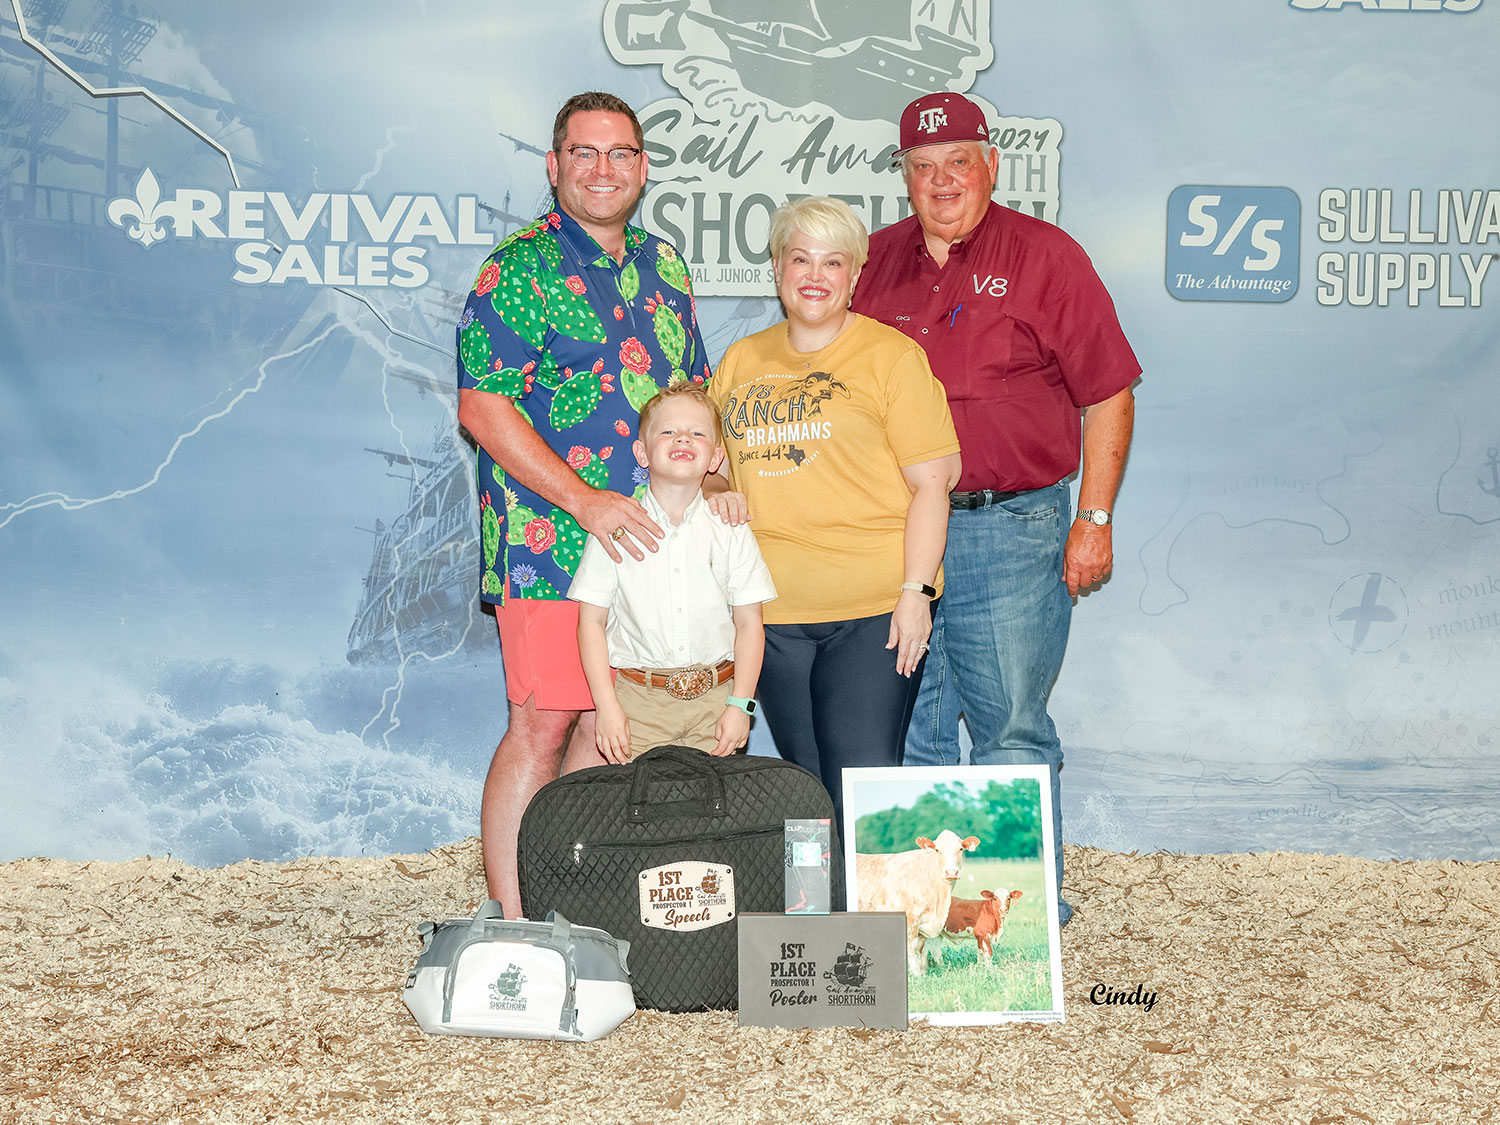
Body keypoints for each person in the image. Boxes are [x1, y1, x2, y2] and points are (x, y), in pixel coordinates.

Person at [850, 92, 1142, 926]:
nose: (942, 181)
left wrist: (1095, 517)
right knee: (912, 725)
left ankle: (1026, 925)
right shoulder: (869, 261)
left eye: (958, 162)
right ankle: (921, 918)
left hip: (1010, 526)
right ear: (903, 175)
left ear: (991, 165)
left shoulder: (1048, 257)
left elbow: (1109, 393)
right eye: (922, 166)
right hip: (902, 536)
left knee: (1011, 722)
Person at [456, 91, 730, 918]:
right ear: (554, 164)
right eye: (584, 153)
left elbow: (691, 396)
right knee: (542, 726)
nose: (603, 170)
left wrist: (717, 487)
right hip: (549, 543)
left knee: (603, 734)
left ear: (643, 168)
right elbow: (483, 407)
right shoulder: (519, 269)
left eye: (620, 154)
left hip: (648, 545)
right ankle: (511, 924)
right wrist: (586, 502)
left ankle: (565, 906)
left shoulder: (666, 265)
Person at [710, 196, 962, 830]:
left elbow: (934, 484)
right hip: (771, 612)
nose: (814, 275)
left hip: (873, 608)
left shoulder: (893, 357)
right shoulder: (741, 362)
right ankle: (817, 928)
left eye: (833, 261)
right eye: (800, 258)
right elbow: (710, 474)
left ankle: (873, 929)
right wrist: (718, 492)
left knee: (863, 779)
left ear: (855, 275)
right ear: (775, 269)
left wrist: (916, 592)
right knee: (805, 790)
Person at [569, 382, 777, 762]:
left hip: (717, 701)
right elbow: (591, 623)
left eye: (697, 433)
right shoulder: (614, 527)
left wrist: (741, 705)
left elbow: (750, 624)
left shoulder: (731, 529)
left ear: (715, 458)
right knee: (644, 817)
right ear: (641, 452)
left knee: (713, 817)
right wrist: (607, 706)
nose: (683, 438)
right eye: (668, 431)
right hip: (639, 705)